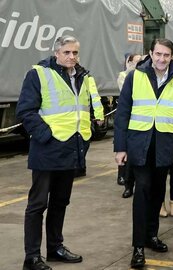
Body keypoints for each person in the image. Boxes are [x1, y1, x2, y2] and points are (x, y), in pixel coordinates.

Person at [17, 35, 104, 270]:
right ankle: (32, 257)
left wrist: (84, 140)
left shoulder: (82, 76)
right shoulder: (39, 73)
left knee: (60, 202)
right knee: (37, 205)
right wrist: (46, 135)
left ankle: (55, 247)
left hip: (71, 148)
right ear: (56, 53)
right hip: (47, 150)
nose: (72, 57)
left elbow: (81, 111)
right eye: (67, 52)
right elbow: (25, 111)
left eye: (75, 53)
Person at [114, 38, 173, 269]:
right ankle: (138, 246)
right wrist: (120, 148)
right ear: (151, 53)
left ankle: (151, 235)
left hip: (166, 145)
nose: (161, 59)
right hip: (140, 144)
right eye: (158, 54)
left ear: (172, 56)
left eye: (166, 55)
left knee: (159, 191)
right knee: (143, 191)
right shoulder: (135, 76)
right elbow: (123, 113)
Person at [116, 53, 141, 198]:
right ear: (129, 62)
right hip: (129, 123)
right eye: (136, 61)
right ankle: (126, 183)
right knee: (126, 156)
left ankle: (131, 184)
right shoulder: (126, 76)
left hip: (139, 125)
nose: (138, 64)